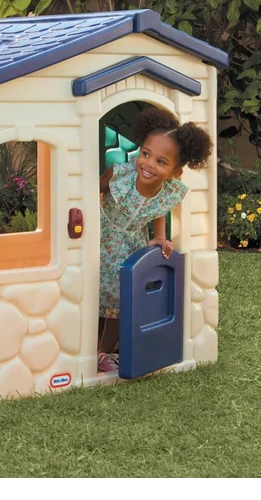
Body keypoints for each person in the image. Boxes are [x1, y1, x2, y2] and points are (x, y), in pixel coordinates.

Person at [97, 108, 213, 373]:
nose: (148, 164)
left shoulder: (167, 192)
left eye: (161, 161)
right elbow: (92, 191)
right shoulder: (120, 175)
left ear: (176, 171)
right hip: (101, 236)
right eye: (146, 154)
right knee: (92, 290)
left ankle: (104, 351)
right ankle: (90, 346)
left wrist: (160, 237)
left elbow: (158, 211)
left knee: (121, 299)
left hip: (128, 245)